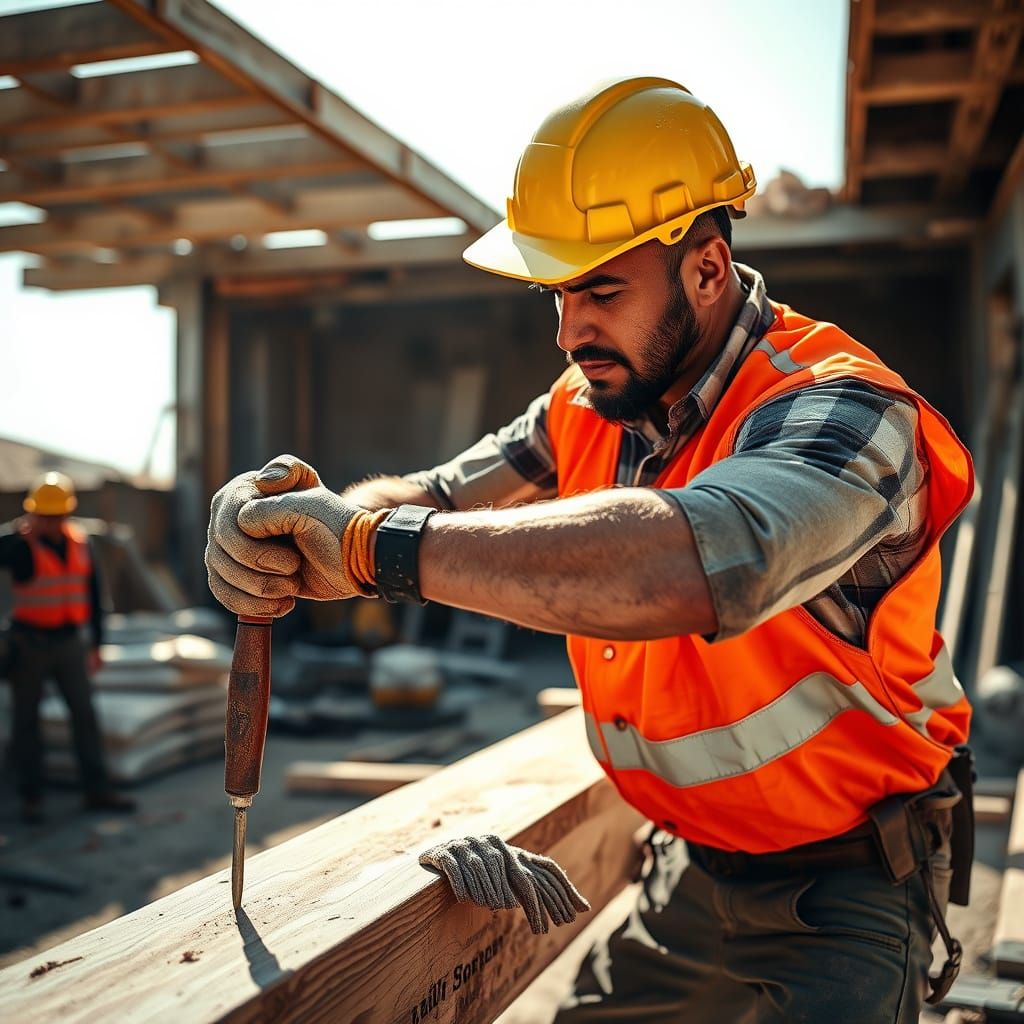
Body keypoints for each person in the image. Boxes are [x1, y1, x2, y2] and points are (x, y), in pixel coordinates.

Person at [206, 78, 974, 1022]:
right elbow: (435, 497)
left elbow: (697, 558)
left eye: (602, 291)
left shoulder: (846, 411)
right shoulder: (586, 401)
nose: (570, 331)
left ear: (706, 266)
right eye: (557, 295)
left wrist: (377, 550)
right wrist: (302, 523)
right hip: (692, 865)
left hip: (850, 886)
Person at [1, 472, 136, 823]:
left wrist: (97, 644)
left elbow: (94, 596)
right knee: (26, 723)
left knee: (84, 716)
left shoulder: (81, 543)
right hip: (28, 643)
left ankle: (97, 791)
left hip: (70, 644)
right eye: (45, 516)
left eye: (57, 516)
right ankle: (32, 798)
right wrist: (14, 531)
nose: (52, 523)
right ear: (32, 514)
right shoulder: (18, 546)